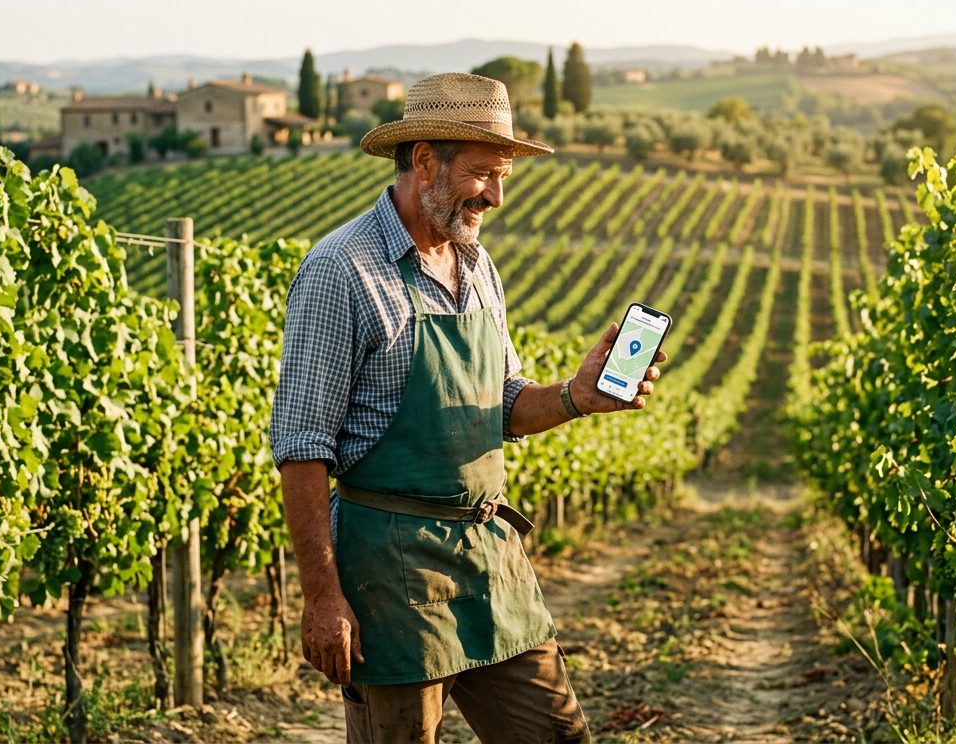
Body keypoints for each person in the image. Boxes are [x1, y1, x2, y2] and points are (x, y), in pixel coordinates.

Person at [268, 72, 664, 743]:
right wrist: (321, 597)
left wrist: (575, 397)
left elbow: (505, 404)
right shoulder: (341, 270)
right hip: (390, 576)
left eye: (504, 176)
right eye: (484, 174)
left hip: (488, 559)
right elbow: (302, 445)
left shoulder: (477, 267)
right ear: (424, 161)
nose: (498, 196)